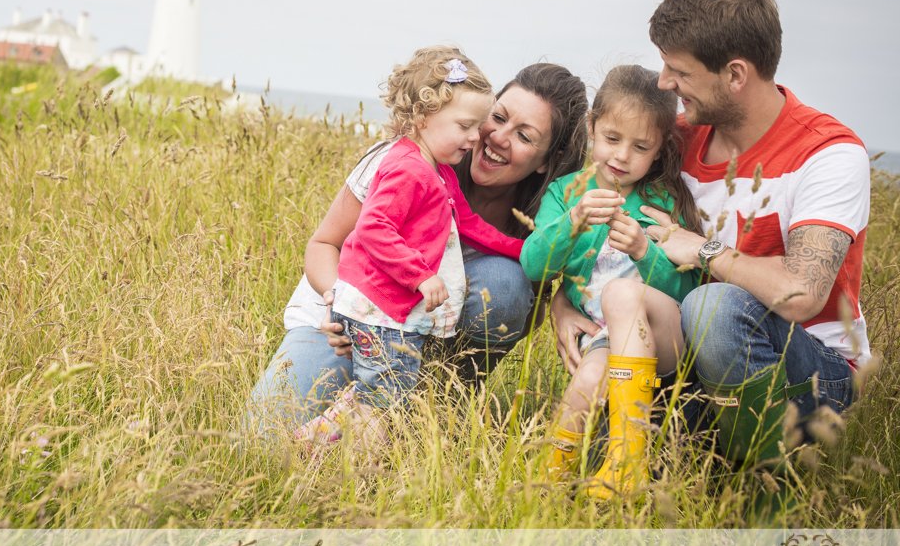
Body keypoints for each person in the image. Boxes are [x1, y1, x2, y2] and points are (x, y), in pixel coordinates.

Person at [583, 0, 870, 478]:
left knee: (712, 308)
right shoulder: (672, 139)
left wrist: (704, 250)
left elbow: (802, 291)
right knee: (604, 436)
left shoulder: (828, 152)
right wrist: (561, 307)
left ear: (735, 74)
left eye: (679, 71)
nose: (664, 82)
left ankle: (758, 478)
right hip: (690, 355)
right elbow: (584, 208)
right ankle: (686, 452)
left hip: (811, 371)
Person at [245, 60, 589, 434]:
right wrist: (336, 303)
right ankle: (373, 410)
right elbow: (324, 243)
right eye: (497, 117)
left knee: (505, 284)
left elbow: (534, 292)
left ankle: (435, 403)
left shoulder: (543, 218)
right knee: (261, 438)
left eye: (524, 136)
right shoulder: (403, 163)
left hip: (415, 345)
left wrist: (562, 303)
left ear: (546, 162)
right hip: (342, 324)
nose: (495, 137)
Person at [292, 49, 525, 447]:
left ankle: (324, 443)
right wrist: (420, 276)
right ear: (422, 118)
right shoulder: (406, 167)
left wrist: (523, 249)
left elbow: (468, 224)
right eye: (466, 126)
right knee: (383, 402)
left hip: (389, 315)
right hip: (375, 312)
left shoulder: (440, 171)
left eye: (477, 126)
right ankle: (324, 451)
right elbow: (373, 228)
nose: (476, 137)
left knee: (382, 395)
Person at [520, 65, 702, 497]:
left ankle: (617, 464)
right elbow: (533, 265)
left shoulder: (662, 200)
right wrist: (574, 221)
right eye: (612, 139)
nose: (621, 156)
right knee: (585, 382)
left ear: (658, 151)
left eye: (640, 147)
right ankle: (554, 479)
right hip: (600, 333)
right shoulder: (566, 193)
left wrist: (644, 251)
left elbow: (688, 292)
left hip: (658, 332)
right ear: (592, 128)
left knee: (600, 353)